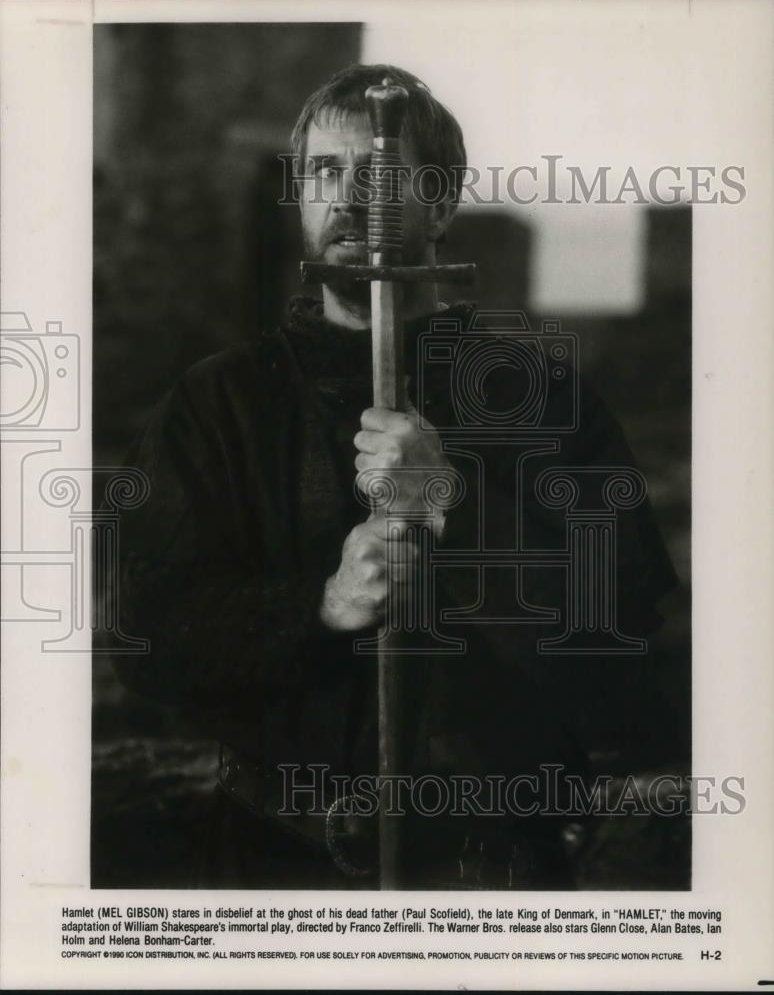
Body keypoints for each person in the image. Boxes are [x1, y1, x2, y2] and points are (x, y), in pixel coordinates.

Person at [114, 63, 677, 890]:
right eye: (325, 172)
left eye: (382, 173)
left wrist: (454, 503)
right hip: (278, 860)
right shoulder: (221, 402)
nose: (349, 198)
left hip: (491, 863)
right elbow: (148, 631)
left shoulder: (542, 394)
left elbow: (618, 634)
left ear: (442, 202)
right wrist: (320, 602)